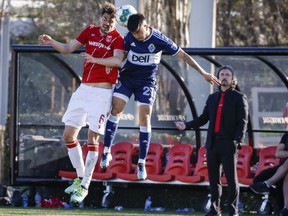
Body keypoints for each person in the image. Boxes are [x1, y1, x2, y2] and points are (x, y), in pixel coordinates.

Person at [84, 13, 220, 181]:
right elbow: (120, 57)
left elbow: (183, 55)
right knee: (116, 108)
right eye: (133, 34)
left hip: (146, 83)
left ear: (146, 26)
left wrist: (204, 72)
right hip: (127, 79)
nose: (136, 36)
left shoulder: (159, 40)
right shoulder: (129, 37)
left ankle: (141, 163)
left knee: (145, 117)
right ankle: (106, 152)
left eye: (138, 32)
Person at [38, 2, 125, 203]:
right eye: (105, 19)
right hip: (84, 89)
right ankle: (79, 177)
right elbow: (68, 49)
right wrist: (52, 41)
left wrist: (94, 59)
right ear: (100, 18)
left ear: (116, 23)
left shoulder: (118, 39)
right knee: (68, 135)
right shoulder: (90, 31)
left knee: (93, 139)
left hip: (102, 93)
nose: (107, 23)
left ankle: (85, 184)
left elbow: (117, 61)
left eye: (111, 21)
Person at [175, 65, 249, 216]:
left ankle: (233, 211)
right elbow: (203, 119)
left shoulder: (239, 97)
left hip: (229, 144)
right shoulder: (212, 98)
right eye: (222, 74)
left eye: (228, 74)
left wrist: (238, 140)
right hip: (212, 144)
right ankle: (215, 210)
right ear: (217, 77)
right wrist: (186, 125)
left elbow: (243, 122)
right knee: (214, 180)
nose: (224, 77)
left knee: (231, 179)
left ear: (232, 79)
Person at [250, 131, 288, 216]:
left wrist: (285, 154)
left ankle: (282, 207)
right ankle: (283, 207)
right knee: (258, 179)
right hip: (282, 168)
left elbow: (281, 153)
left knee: (282, 178)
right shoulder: (286, 135)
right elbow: (278, 153)